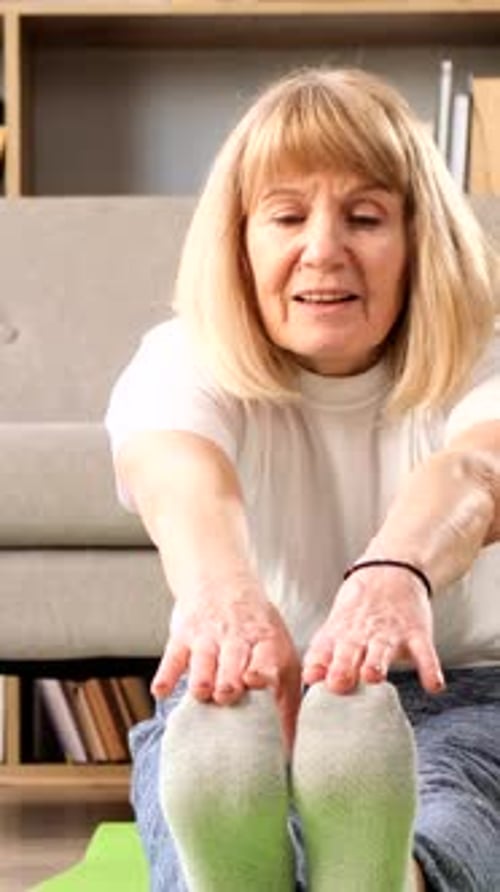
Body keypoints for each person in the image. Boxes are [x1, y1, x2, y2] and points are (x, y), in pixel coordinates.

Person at [105, 66, 500, 892]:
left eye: (365, 217)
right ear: (240, 242)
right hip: (240, 700)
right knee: (210, 774)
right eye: (286, 216)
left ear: (420, 239)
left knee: (452, 806)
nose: (324, 250)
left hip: (471, 696)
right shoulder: (180, 358)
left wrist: (396, 573)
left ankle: (384, 873)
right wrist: (224, 599)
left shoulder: (484, 351)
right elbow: (178, 476)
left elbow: (477, 466)